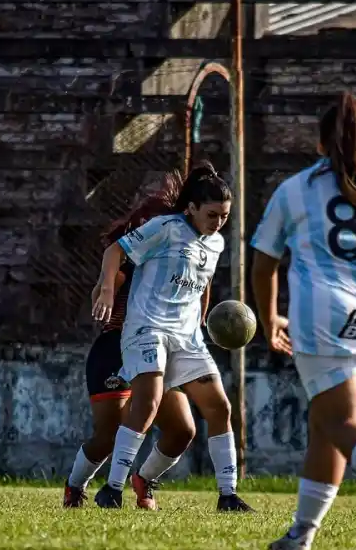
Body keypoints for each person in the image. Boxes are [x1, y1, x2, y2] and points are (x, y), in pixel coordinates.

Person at [250, 91, 356, 550]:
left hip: (326, 313)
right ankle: (299, 536)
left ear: (321, 143)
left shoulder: (296, 189)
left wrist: (269, 321)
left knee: (341, 419)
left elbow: (264, 262)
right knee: (327, 421)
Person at [91, 162, 253, 512]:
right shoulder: (164, 228)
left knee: (220, 407)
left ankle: (228, 495)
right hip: (147, 328)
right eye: (212, 214)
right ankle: (112, 489)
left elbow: (204, 283)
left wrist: (204, 323)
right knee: (147, 404)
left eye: (224, 216)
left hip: (187, 336)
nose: (218, 222)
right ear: (191, 208)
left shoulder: (217, 243)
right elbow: (114, 251)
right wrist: (106, 291)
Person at [63, 179, 198, 511]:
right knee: (108, 434)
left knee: (182, 429)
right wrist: (107, 286)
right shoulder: (127, 259)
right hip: (116, 349)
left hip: (160, 350)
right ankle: (75, 486)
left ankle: (144, 479)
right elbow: (99, 294)